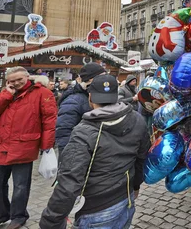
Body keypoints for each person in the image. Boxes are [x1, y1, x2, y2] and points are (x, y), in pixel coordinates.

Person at [40, 74, 150, 229]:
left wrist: (51, 220)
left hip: (96, 208)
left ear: (90, 97)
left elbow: (69, 181)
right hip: (126, 200)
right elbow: (141, 158)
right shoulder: (137, 118)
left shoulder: (84, 131)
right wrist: (136, 186)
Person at [0, 66, 57, 229]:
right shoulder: (6, 93)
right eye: (12, 80)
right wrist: (6, 95)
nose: (16, 83)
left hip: (25, 146)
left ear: (27, 77)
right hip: (1, 145)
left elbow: (49, 121)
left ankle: (19, 216)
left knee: (20, 186)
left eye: (19, 79)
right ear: (8, 81)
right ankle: (1, 214)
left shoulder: (42, 93)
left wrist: (46, 147)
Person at [55, 63, 106, 157]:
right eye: (102, 76)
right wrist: (70, 160)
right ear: (91, 79)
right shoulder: (73, 100)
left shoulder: (100, 96)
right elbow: (64, 133)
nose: (106, 79)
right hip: (80, 155)